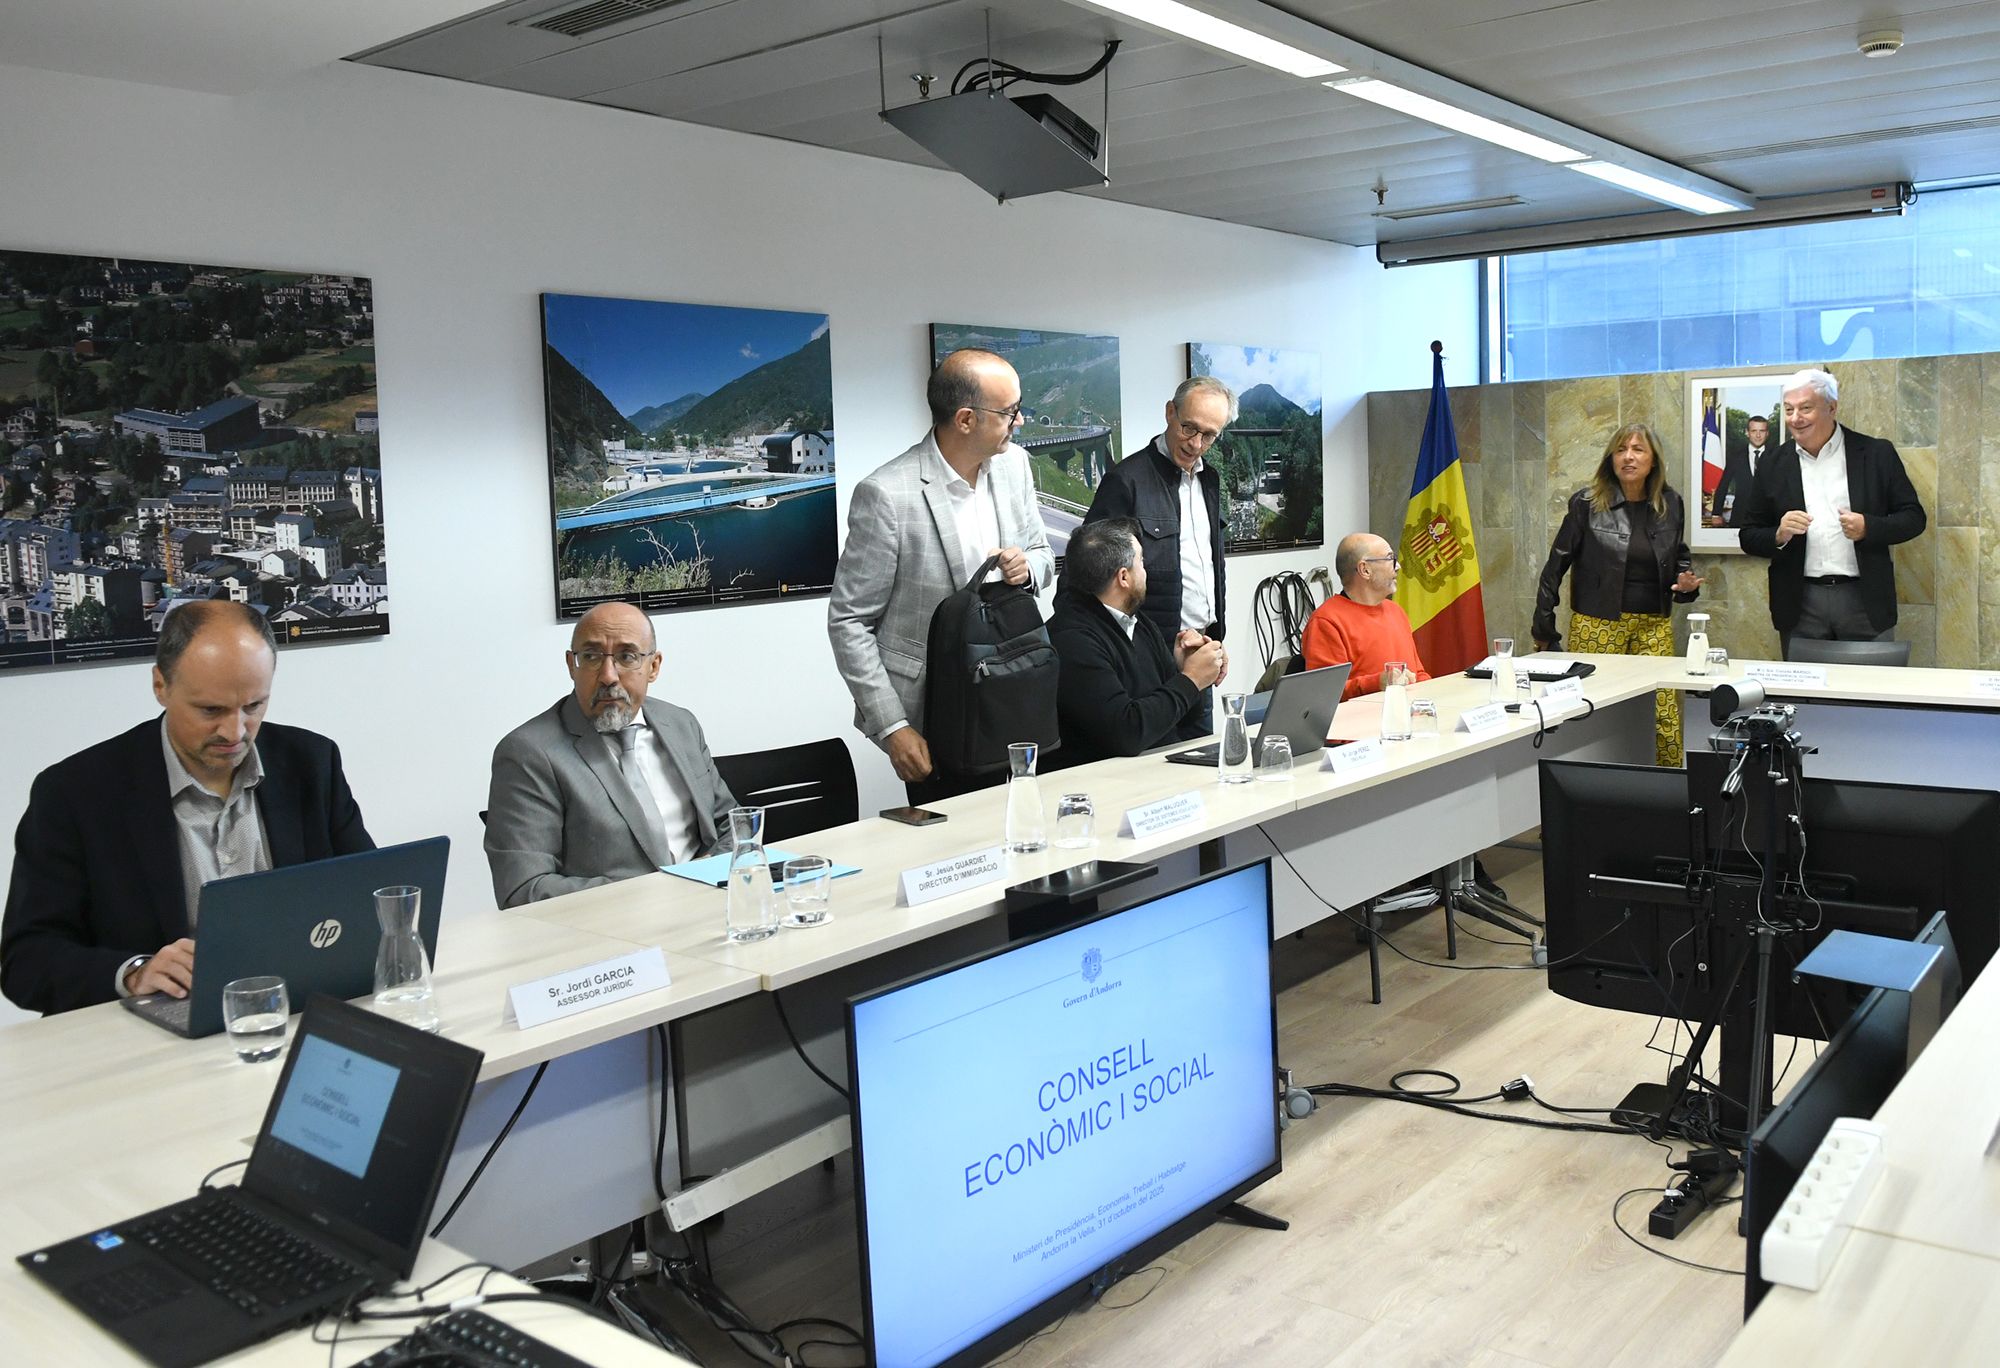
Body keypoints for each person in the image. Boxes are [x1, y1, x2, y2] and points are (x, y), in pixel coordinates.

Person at [1, 600, 372, 1016]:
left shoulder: (312, 763)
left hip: (295, 1009)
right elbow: (25, 961)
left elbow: (372, 896)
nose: (234, 732)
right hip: (155, 1031)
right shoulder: (76, 792)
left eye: (254, 706)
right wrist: (134, 973)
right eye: (211, 710)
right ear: (161, 685)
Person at [827, 348, 1054, 804]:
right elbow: (849, 621)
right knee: (956, 843)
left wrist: (1027, 567)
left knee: (1027, 828)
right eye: (1010, 411)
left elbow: (1043, 554)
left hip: (1016, 691)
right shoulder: (887, 494)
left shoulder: (1014, 466)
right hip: (937, 712)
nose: (1021, 421)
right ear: (966, 419)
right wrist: (893, 727)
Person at [486, 601, 736, 909]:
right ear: (571, 665)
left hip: (710, 908)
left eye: (627, 656)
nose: (608, 676)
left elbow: (732, 824)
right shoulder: (528, 753)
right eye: (591, 657)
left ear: (653, 666)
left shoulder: (681, 724)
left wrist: (704, 878)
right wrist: (658, 892)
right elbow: (524, 889)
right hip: (610, 927)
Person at [1532, 422, 1702, 766]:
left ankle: (1667, 784)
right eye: (1621, 450)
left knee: (1664, 712)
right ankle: (1593, 783)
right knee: (1595, 710)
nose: (1628, 457)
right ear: (1611, 459)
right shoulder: (1587, 503)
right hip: (1598, 624)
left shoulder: (1670, 503)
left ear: (1653, 460)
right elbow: (1555, 566)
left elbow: (1678, 556)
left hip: (1653, 625)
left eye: (1638, 450)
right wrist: (1544, 629)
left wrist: (1685, 585)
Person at [1737, 368, 1926, 655]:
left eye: (1805, 408)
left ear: (1832, 407)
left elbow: (1914, 518)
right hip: (1800, 604)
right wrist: (1779, 534)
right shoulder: (1772, 463)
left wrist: (1868, 527)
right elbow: (1748, 535)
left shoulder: (1876, 453)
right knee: (1804, 685)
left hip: (1864, 600)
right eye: (1788, 409)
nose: (1795, 418)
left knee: (1872, 683)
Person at [1080, 376, 1232, 726]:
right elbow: (1087, 575)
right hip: (1145, 663)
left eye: (1209, 435)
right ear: (1170, 413)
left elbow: (1209, 569)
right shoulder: (1126, 480)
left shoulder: (1210, 480)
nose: (1196, 444)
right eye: (1188, 428)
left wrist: (1216, 641)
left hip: (1199, 654)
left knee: (1202, 757)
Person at [1047, 517, 1227, 766]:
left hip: (1155, 769)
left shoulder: (1138, 623)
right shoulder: (1072, 640)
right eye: (1141, 562)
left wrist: (1189, 668)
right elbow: (1127, 733)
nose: (1146, 570)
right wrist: (1191, 679)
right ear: (1124, 577)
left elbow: (1183, 717)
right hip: (1107, 779)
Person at [1301, 532, 1431, 700]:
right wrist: (1377, 683)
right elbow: (1325, 693)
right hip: (1362, 715)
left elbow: (1418, 674)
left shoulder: (1396, 611)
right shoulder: (1326, 621)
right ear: (1365, 570)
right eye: (1390, 558)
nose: (1398, 566)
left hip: (1406, 710)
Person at [1707, 414, 1775, 527]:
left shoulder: (1777, 456)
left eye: (1762, 431)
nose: (1758, 435)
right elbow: (1724, 485)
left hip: (1769, 519)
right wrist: (1716, 513)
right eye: (1754, 431)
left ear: (1767, 433)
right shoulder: (1735, 456)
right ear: (1747, 432)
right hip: (1740, 518)